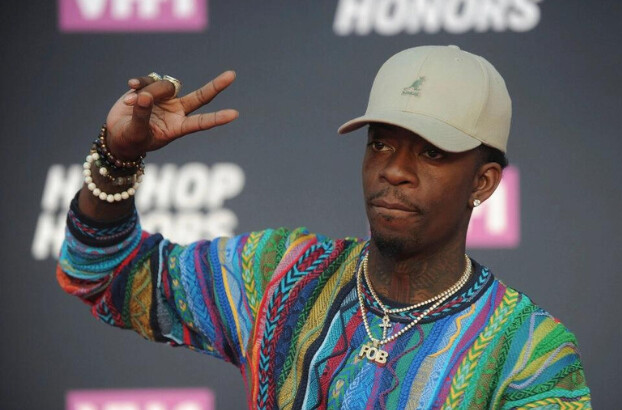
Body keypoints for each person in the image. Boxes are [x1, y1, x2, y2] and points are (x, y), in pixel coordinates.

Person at [58, 45, 591, 409]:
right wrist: (118, 158)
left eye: (431, 152)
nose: (395, 170)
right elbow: (107, 276)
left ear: (484, 182)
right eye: (380, 142)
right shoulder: (281, 275)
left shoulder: (529, 356)